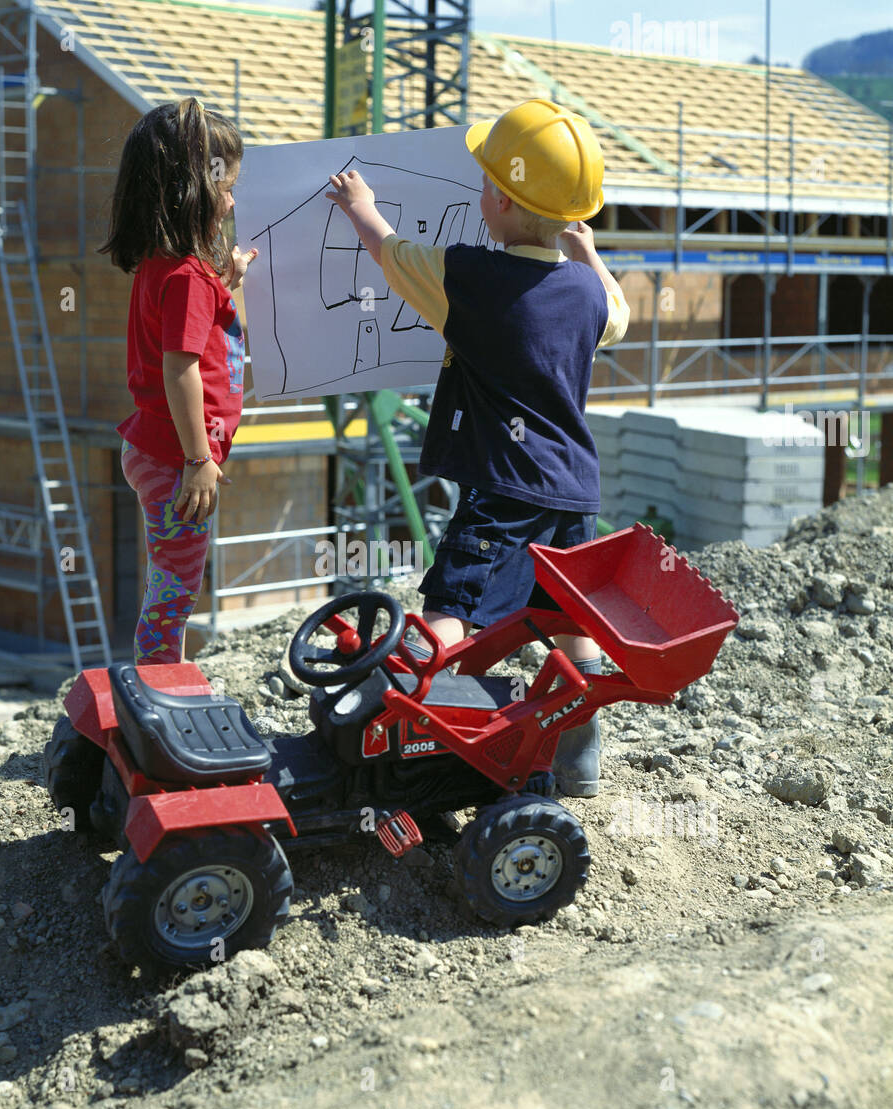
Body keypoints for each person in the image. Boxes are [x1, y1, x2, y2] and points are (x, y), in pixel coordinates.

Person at [324, 98, 630, 796]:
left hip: (502, 490)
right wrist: (584, 249)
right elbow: (618, 314)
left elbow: (390, 254)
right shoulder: (584, 290)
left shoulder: (466, 278)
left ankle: (429, 749)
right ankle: (578, 755)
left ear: (497, 198)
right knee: (564, 617)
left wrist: (358, 203)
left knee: (450, 609)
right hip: (573, 488)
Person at [100, 97, 256, 664]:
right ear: (190, 190)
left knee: (173, 579)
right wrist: (197, 459)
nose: (234, 199)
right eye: (226, 186)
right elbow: (181, 367)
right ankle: (159, 686)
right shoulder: (188, 276)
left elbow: (211, 334)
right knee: (176, 587)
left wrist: (228, 281)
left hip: (160, 449)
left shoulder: (169, 266)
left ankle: (164, 674)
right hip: (174, 460)